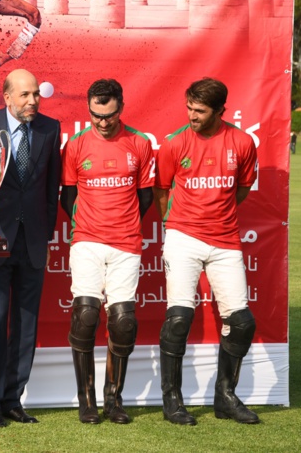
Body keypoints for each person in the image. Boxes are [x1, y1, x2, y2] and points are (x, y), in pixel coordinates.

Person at [153, 77, 259, 425]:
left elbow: (241, 189)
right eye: (189, 108)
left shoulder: (242, 142)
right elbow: (162, 192)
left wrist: (217, 216)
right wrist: (176, 227)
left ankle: (225, 397)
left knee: (242, 323)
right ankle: (172, 400)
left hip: (225, 240)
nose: (192, 115)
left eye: (199, 111)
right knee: (179, 318)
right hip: (183, 237)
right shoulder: (174, 143)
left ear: (220, 111)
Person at [0, 69, 62, 428]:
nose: (32, 101)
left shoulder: (50, 129)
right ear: (6, 97)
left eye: (36, 94)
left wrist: (46, 236)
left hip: (33, 241)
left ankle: (13, 399)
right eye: (24, 95)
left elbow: (52, 191)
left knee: (26, 323)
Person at [60, 79, 155, 424]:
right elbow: (67, 198)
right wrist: (89, 226)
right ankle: (87, 401)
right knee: (85, 315)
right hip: (86, 239)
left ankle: (113, 400)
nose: (102, 122)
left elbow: (145, 197)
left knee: (123, 321)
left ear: (121, 107)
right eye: (96, 115)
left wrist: (122, 223)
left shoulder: (140, 144)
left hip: (127, 242)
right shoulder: (74, 146)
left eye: (109, 115)